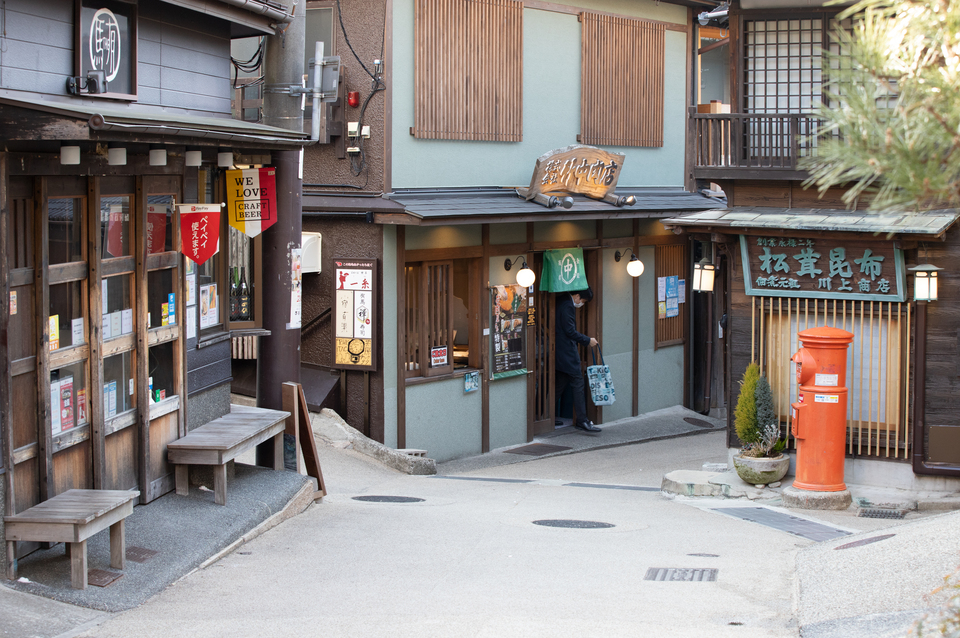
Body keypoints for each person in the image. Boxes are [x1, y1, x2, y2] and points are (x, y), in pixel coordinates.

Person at [555, 287, 601, 432]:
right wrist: (587, 340)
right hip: (567, 352)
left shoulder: (560, 300)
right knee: (578, 383)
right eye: (583, 301)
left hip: (559, 352)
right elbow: (570, 331)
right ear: (577, 296)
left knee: (559, 384)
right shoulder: (568, 305)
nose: (581, 304)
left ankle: (543, 415)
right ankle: (582, 420)